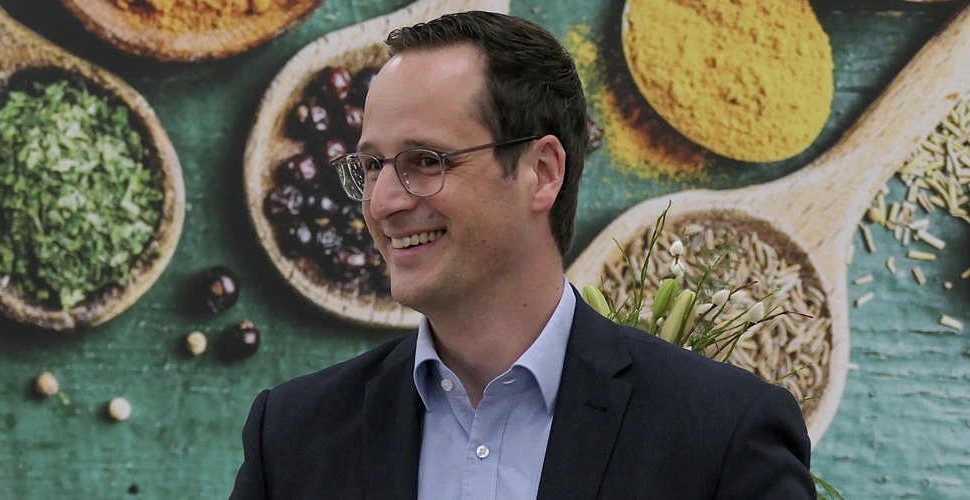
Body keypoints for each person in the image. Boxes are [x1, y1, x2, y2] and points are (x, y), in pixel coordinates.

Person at [231, 10, 816, 499]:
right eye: (372, 166)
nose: (382, 202)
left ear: (542, 173)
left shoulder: (722, 434)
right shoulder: (290, 435)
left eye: (426, 162)